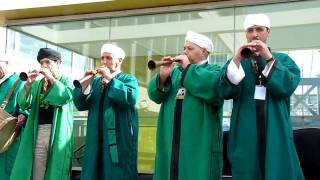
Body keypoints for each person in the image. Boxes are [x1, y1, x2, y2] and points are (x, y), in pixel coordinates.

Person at [220, 14, 305, 179]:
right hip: (245, 133)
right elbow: (224, 91)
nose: (255, 34)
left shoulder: (283, 60)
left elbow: (286, 87)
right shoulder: (237, 61)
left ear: (268, 32)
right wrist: (237, 59)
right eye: (250, 30)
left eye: (259, 29)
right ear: (246, 34)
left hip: (276, 132)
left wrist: (268, 58)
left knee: (279, 170)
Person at [148, 31, 224, 180]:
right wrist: (163, 76)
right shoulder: (175, 73)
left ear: (204, 51)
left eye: (190, 48)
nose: (184, 52)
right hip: (170, 142)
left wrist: (188, 68)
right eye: (184, 48)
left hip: (199, 146)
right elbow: (155, 96)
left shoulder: (215, 71)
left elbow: (212, 88)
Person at [73, 43, 139, 180]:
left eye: (108, 58)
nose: (104, 62)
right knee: (94, 171)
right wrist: (84, 86)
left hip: (119, 137)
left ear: (119, 61)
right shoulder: (96, 82)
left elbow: (130, 98)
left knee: (116, 172)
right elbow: (81, 105)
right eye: (102, 58)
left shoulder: (128, 79)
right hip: (95, 137)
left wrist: (110, 79)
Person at [10, 48, 74, 180]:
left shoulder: (67, 80)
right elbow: (24, 104)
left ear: (57, 62)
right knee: (37, 171)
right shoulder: (38, 84)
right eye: (41, 63)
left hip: (58, 133)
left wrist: (51, 78)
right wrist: (28, 86)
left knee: (56, 169)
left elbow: (64, 97)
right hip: (39, 131)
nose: (43, 66)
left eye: (47, 62)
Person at [0, 54, 26, 180]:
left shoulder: (19, 81)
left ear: (7, 63)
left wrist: (23, 116)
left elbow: (26, 108)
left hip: (8, 139)